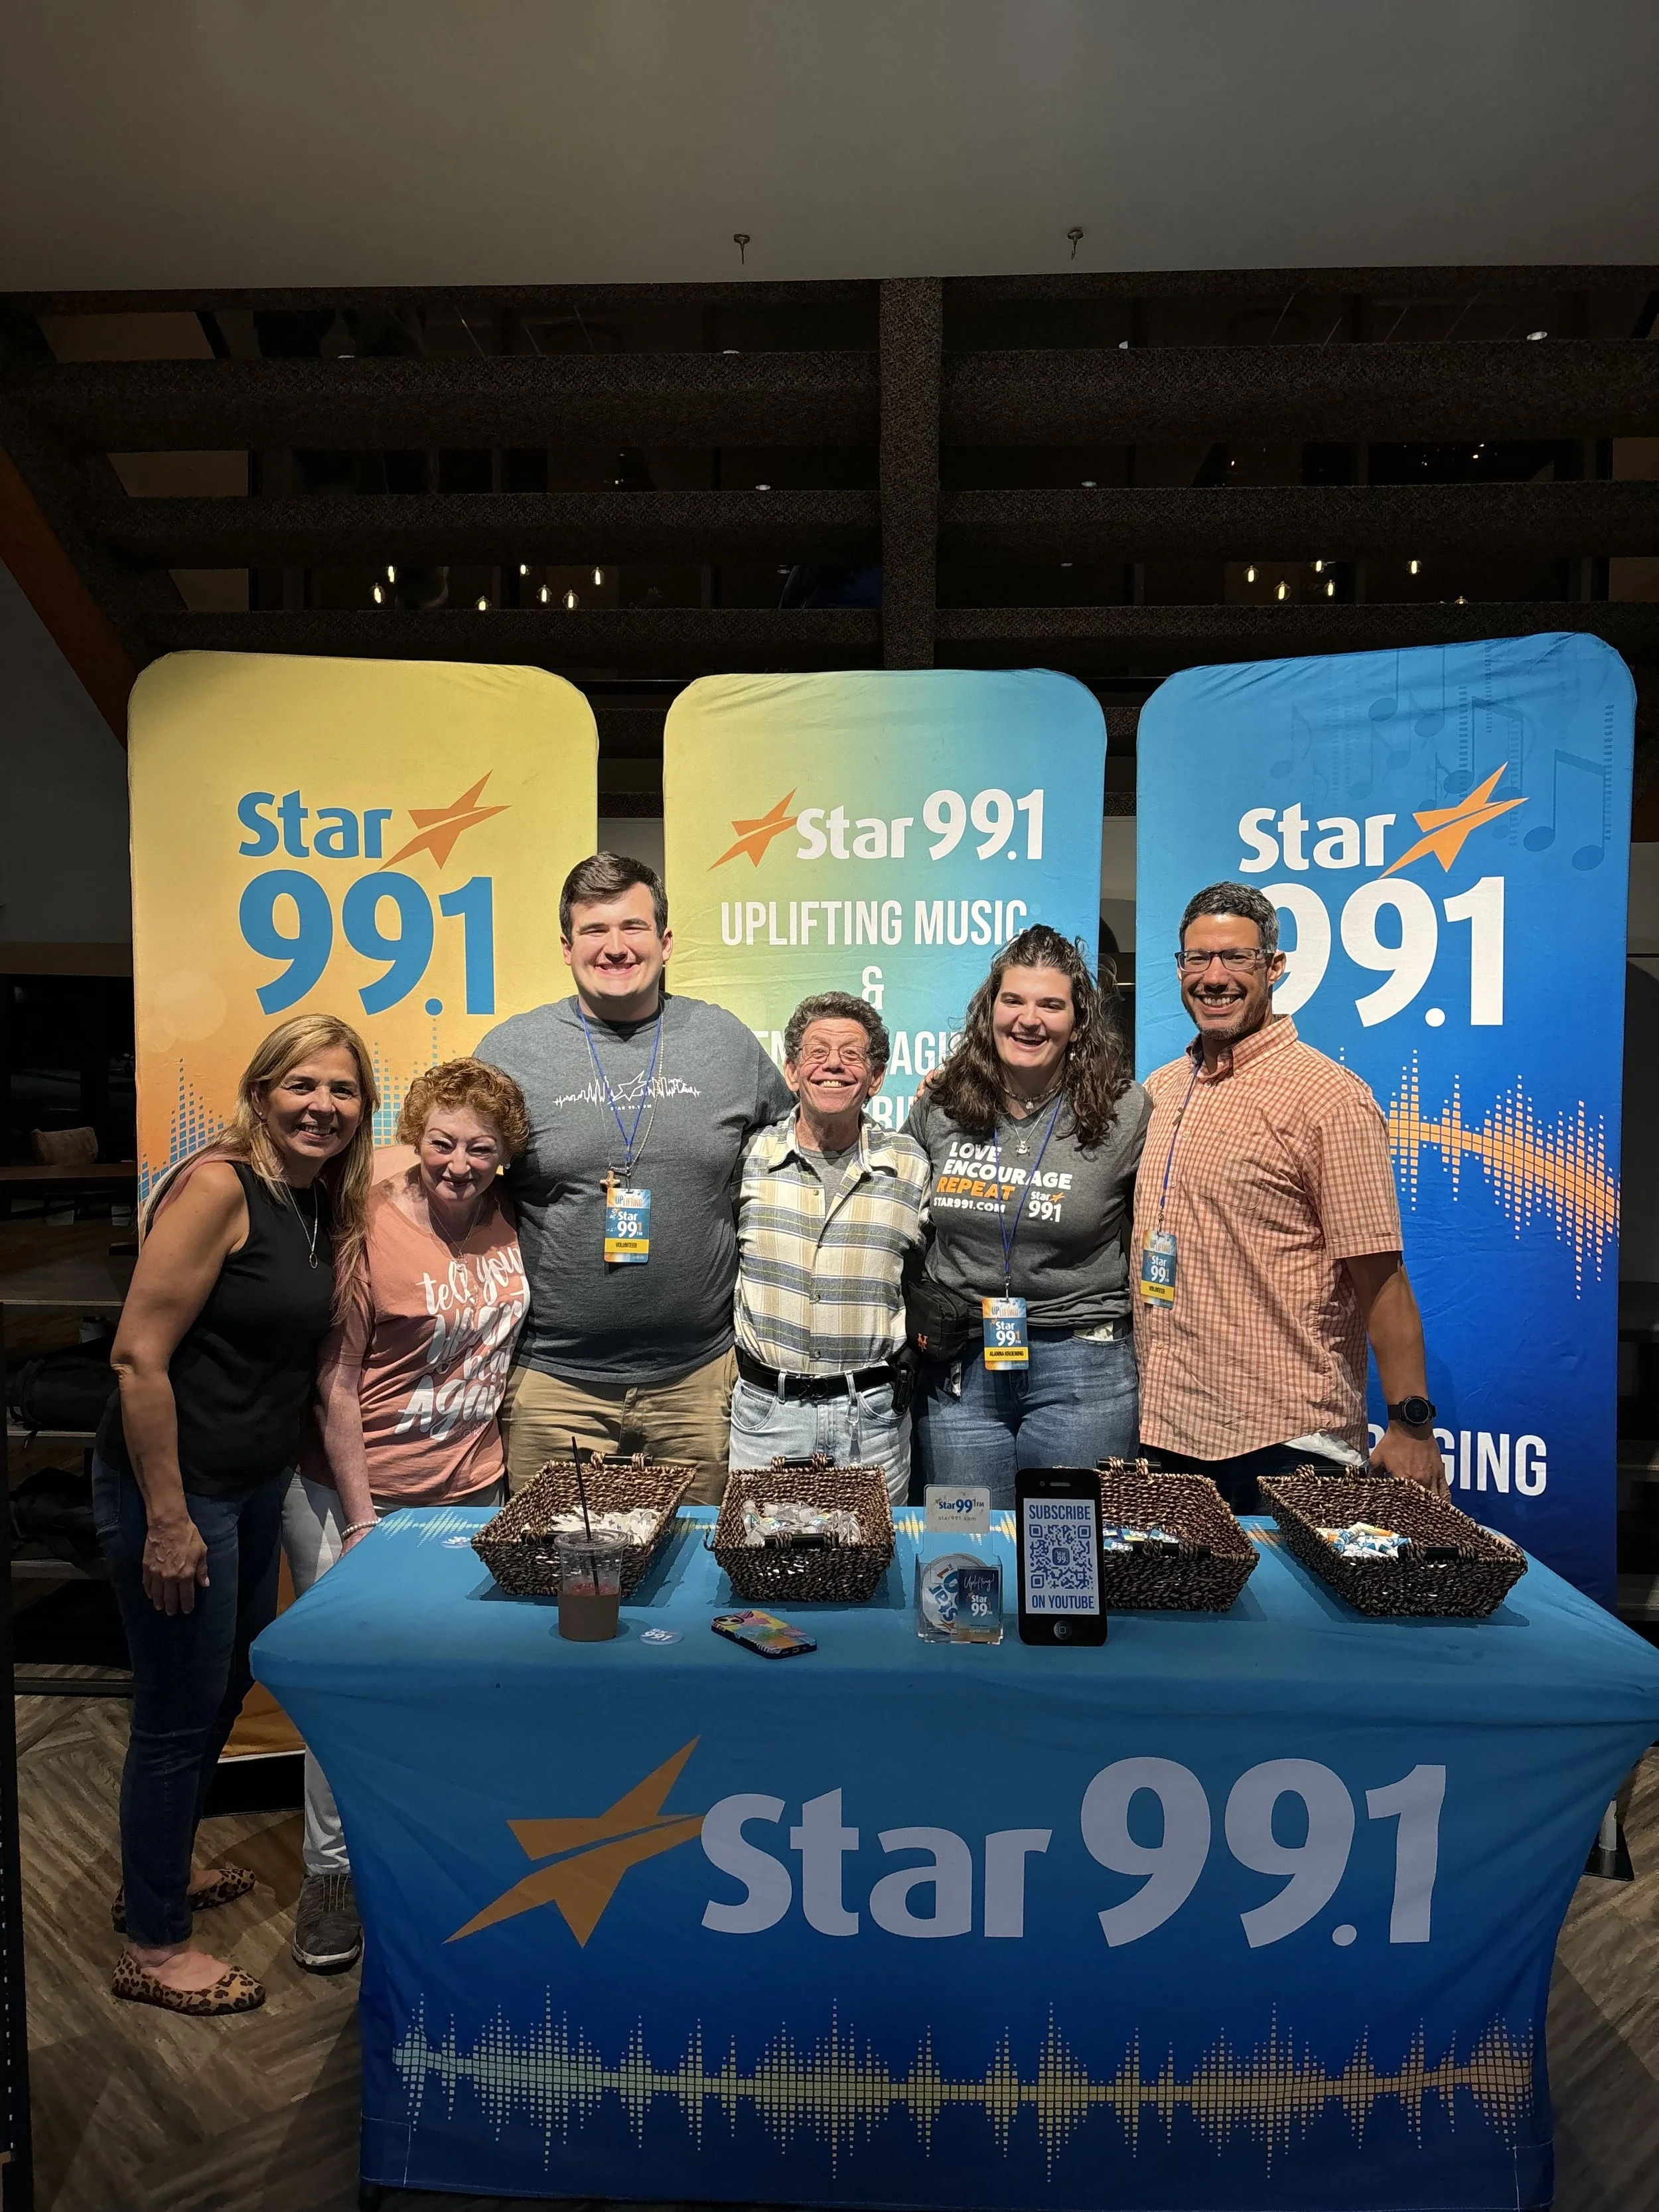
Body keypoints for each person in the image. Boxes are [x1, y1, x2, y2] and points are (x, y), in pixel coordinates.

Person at [93, 1014, 374, 2016]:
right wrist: (167, 1517)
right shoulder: (218, 1186)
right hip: (180, 1491)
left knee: (218, 1695)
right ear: (261, 1091)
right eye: (303, 1085)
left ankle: (153, 1875)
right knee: (174, 1715)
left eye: (342, 1092)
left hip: (252, 1487)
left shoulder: (310, 1203)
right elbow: (138, 1357)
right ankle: (157, 1947)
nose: (323, 1107)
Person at [280, 1058, 531, 1974]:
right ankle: (333, 1872)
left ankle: (431, 1854)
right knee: (347, 1692)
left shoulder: (508, 1222)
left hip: (471, 1492)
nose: (458, 1163)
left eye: (479, 1148)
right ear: (413, 1139)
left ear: (505, 1157)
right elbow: (335, 1387)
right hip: (360, 1497)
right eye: (441, 1143)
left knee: (455, 1683)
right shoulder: (370, 1225)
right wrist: (358, 1519)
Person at [478, 853, 791, 1503]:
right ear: (566, 947)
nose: (615, 947)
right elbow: (448, 1162)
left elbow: (803, 1150)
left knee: (693, 1589)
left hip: (699, 1385)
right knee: (558, 1587)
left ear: (665, 941)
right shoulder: (512, 1052)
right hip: (555, 1387)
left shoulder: (725, 1043)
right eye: (594, 930)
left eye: (633, 927)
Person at [1133, 881, 1447, 1512]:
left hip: (1287, 1442)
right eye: (1198, 959)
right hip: (1167, 1431)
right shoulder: (1161, 1090)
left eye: (1236, 958)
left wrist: (1411, 1423)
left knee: (1291, 1615)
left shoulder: (1330, 1098)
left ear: (1274, 967)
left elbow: (1380, 1275)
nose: (1214, 977)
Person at [906, 926, 1149, 1507]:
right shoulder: (942, 1104)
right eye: (1013, 999)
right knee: (963, 1557)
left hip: (1082, 1368)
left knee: (1067, 1565)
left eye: (1051, 1004)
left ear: (1079, 1020)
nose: (1028, 1019)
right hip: (961, 1367)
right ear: (990, 1008)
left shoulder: (1126, 1110)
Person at [731, 993, 930, 1503]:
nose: (834, 1065)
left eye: (852, 1054)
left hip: (874, 1421)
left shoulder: (910, 1164)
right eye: (818, 1052)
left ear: (877, 1077)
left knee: (875, 1575)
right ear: (792, 1069)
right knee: (765, 1571)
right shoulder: (748, 1157)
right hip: (767, 1416)